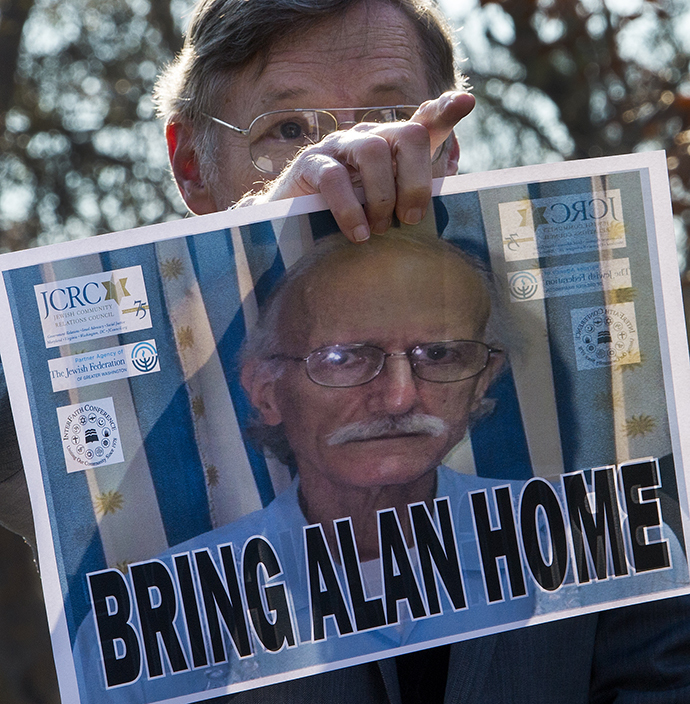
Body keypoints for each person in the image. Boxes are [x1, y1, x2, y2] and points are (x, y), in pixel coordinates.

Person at [5, 0, 690, 702]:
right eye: (289, 130)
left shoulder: (582, 508)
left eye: (386, 123)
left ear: (447, 152)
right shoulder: (142, 561)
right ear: (192, 168)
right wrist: (260, 248)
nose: (349, 166)